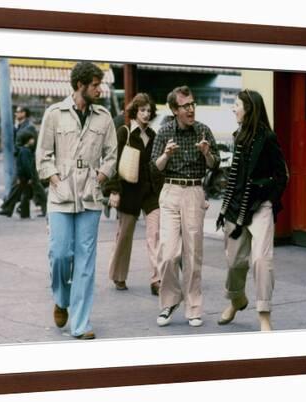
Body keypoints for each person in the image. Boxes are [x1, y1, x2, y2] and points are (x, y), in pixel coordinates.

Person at [35, 61, 117, 340]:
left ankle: (80, 324)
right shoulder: (54, 114)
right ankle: (61, 299)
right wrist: (55, 179)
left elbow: (112, 155)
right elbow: (43, 155)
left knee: (86, 262)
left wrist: (101, 178)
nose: (100, 89)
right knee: (60, 254)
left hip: (91, 197)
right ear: (80, 85)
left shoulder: (104, 117)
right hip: (60, 195)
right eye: (95, 84)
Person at [215, 89, 288, 331]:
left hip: (261, 206)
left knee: (261, 260)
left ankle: (264, 315)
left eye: (236, 105)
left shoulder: (267, 138)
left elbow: (282, 175)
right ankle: (237, 300)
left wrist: (268, 198)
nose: (233, 109)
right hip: (236, 207)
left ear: (249, 109)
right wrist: (227, 208)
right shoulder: (239, 135)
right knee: (235, 261)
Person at [150, 85, 220, 328]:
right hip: (170, 191)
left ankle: (194, 307)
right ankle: (169, 302)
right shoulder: (164, 132)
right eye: (185, 106)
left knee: (193, 254)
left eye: (192, 104)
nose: (191, 110)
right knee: (168, 253)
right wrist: (166, 155)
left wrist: (206, 153)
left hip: (193, 191)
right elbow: (154, 167)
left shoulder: (203, 131)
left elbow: (214, 164)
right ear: (174, 109)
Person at [104, 93, 163, 295]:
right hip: (128, 190)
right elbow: (113, 162)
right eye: (142, 110)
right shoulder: (124, 132)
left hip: (150, 192)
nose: (146, 114)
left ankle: (157, 279)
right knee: (124, 235)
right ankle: (119, 276)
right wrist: (113, 190)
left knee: (155, 234)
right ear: (135, 111)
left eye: (149, 111)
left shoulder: (154, 136)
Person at [0, 133, 38, 218]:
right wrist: (30, 177)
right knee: (23, 194)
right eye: (32, 139)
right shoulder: (25, 151)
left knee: (24, 194)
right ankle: (18, 212)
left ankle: (17, 211)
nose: (33, 141)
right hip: (25, 177)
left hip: (23, 176)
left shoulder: (23, 150)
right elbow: (25, 165)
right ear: (27, 140)